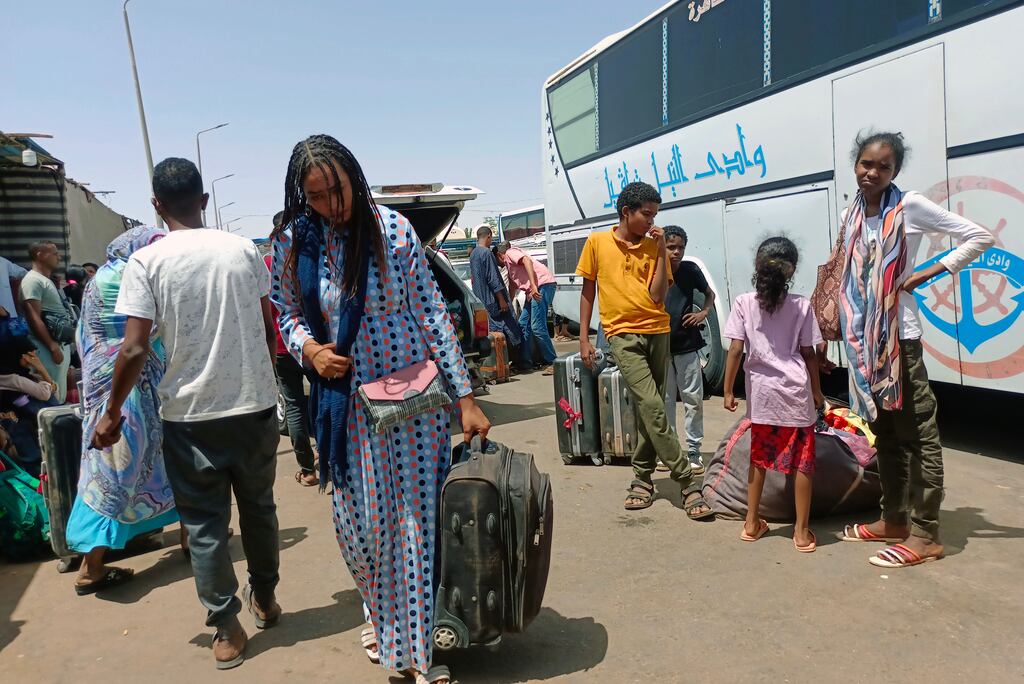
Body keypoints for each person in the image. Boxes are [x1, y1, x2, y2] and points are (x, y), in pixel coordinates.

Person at [271, 134, 490, 684]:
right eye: (317, 196)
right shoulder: (296, 243)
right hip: (347, 410)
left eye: (337, 190)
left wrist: (465, 397)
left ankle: (416, 654)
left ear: (355, 176)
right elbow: (285, 311)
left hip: (417, 403)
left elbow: (432, 310)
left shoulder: (393, 229)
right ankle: (378, 609)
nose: (331, 205)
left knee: (414, 527)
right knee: (364, 533)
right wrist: (310, 350)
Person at [92, 158, 282, 670]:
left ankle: (226, 626)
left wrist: (110, 413)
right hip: (254, 408)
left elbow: (132, 350)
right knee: (259, 509)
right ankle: (264, 597)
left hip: (189, 417)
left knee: (204, 525)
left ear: (156, 206)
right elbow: (269, 328)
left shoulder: (146, 264)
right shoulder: (243, 250)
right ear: (203, 201)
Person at [835, 132, 994, 568]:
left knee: (920, 434)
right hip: (867, 343)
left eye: (883, 168)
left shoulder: (910, 207)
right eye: (866, 164)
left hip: (899, 339)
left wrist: (930, 270)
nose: (872, 173)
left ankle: (926, 534)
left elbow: (979, 237)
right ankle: (895, 519)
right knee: (884, 431)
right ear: (856, 164)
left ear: (894, 173)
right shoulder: (853, 210)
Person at [576, 181, 712, 519]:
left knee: (646, 410)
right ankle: (687, 482)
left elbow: (656, 296)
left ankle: (642, 478)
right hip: (621, 334)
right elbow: (588, 292)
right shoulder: (596, 243)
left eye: (655, 215)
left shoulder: (654, 246)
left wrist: (662, 253)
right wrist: (583, 338)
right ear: (626, 212)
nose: (653, 222)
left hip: (658, 331)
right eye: (646, 214)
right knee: (653, 405)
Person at [66, 226, 186, 595]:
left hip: (107, 390)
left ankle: (187, 536)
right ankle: (91, 568)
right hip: (129, 393)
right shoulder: (131, 276)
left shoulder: (98, 279)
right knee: (128, 471)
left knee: (123, 471)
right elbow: (139, 341)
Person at [723, 237, 824, 552]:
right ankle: (802, 533)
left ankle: (752, 524)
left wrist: (728, 390)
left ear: (758, 266)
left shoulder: (743, 303)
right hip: (795, 393)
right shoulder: (801, 305)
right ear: (791, 270)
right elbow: (809, 354)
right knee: (802, 463)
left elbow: (736, 350)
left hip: (763, 394)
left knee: (759, 460)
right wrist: (817, 392)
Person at [265, 211, 318, 487]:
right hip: (311, 347)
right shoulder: (308, 260)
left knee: (295, 405)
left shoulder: (264, 266)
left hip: (281, 348)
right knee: (320, 399)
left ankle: (308, 470)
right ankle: (331, 460)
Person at [661, 226, 715, 475]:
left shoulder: (691, 270)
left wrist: (703, 312)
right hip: (660, 347)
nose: (676, 252)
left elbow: (709, 294)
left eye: (680, 247)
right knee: (665, 401)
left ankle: (694, 451)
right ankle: (670, 451)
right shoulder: (653, 270)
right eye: (671, 247)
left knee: (692, 399)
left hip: (687, 345)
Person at [19, 242, 73, 402]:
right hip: (46, 350)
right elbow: (33, 316)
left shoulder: (45, 280)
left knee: (58, 396)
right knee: (50, 397)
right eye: (55, 253)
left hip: (57, 346)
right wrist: (52, 347)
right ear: (40, 255)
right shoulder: (32, 281)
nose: (59, 257)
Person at [470, 225, 526, 370]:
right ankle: (518, 363)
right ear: (488, 236)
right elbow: (493, 279)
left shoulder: (474, 254)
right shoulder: (486, 254)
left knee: (491, 335)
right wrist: (501, 299)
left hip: (482, 301)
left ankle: (497, 365)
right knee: (511, 331)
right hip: (494, 302)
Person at [497, 240, 557, 374]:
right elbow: (512, 286)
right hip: (534, 290)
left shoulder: (510, 253)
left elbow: (527, 261)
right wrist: (509, 304)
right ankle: (525, 362)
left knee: (537, 326)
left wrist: (534, 285)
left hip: (542, 285)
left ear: (500, 255)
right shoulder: (509, 266)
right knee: (523, 325)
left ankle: (553, 361)